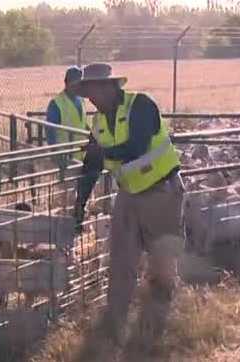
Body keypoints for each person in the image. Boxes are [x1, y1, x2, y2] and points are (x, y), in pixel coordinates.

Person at [74, 62, 184, 349]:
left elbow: (136, 146)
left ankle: (159, 327)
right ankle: (114, 325)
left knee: (162, 263)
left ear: (111, 86)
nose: (90, 98)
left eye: (94, 90)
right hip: (129, 194)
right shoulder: (98, 122)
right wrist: (79, 205)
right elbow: (91, 166)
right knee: (120, 260)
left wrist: (102, 152)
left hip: (161, 190)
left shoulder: (141, 105)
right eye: (86, 92)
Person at [45, 66, 104, 234]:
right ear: (67, 83)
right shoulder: (57, 104)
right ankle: (65, 229)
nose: (78, 87)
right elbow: (50, 131)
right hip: (65, 156)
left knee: (81, 192)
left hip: (82, 154)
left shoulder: (81, 101)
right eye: (75, 83)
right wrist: (56, 155)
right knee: (67, 195)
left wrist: (90, 136)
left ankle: (77, 224)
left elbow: (81, 123)